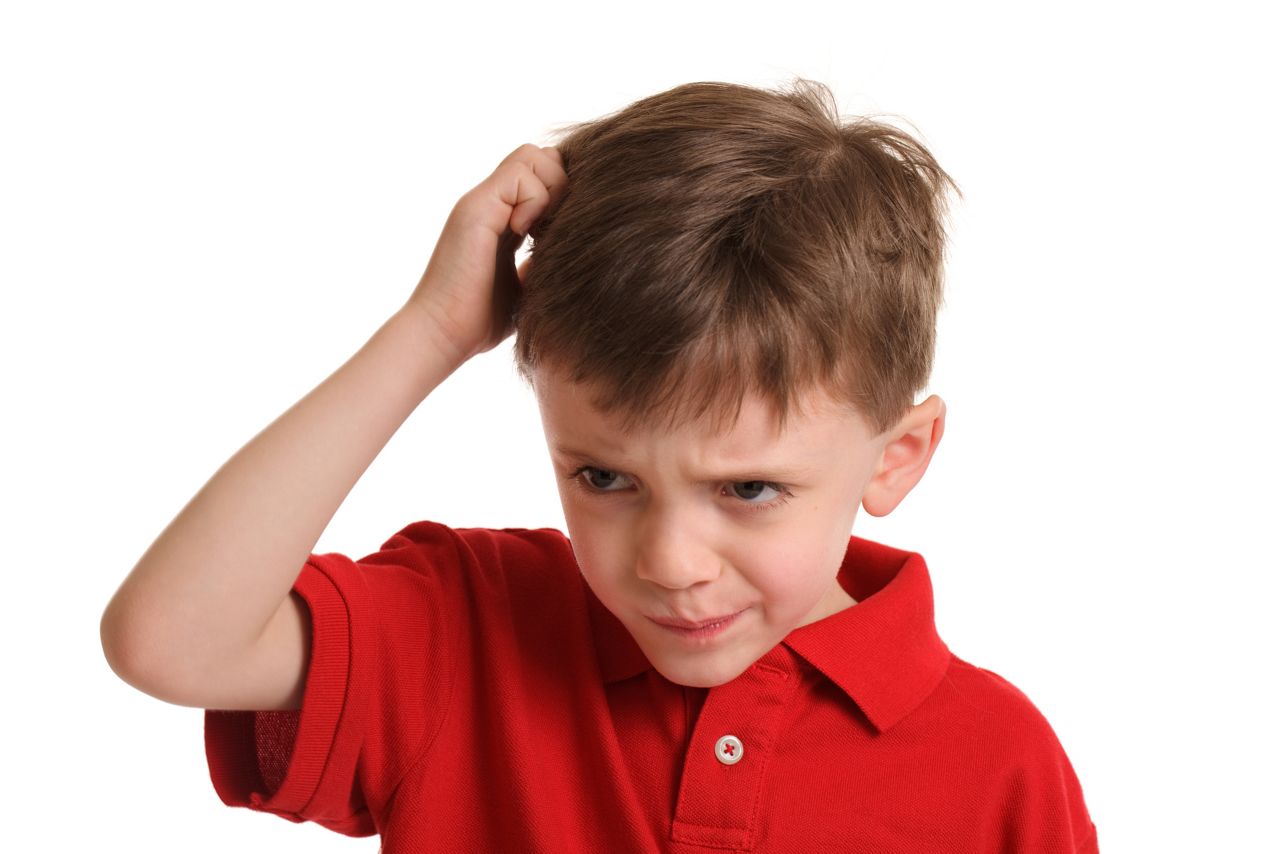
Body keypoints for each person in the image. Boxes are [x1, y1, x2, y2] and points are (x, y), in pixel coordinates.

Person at [99, 79, 1098, 852]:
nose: (667, 560)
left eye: (746, 488)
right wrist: (432, 331)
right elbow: (169, 641)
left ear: (898, 456)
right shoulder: (467, 628)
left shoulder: (998, 765)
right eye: (603, 477)